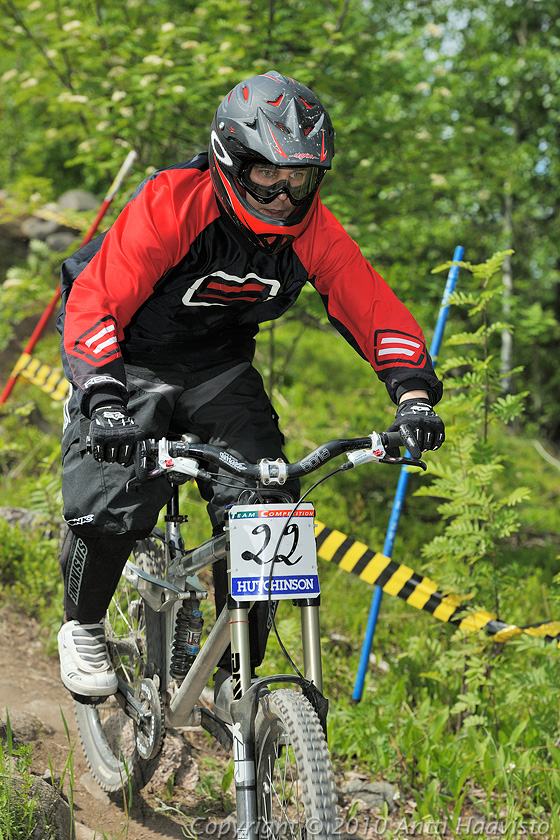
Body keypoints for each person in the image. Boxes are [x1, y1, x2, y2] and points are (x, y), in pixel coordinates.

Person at [56, 70, 445, 702]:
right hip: (129, 356)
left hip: (218, 368)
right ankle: (84, 626)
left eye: (301, 176)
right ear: (229, 159)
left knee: (267, 498)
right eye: (269, 172)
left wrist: (413, 396)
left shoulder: (314, 228)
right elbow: (98, 296)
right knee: (115, 493)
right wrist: (101, 397)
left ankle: (240, 670)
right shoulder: (177, 201)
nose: (287, 193)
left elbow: (372, 306)